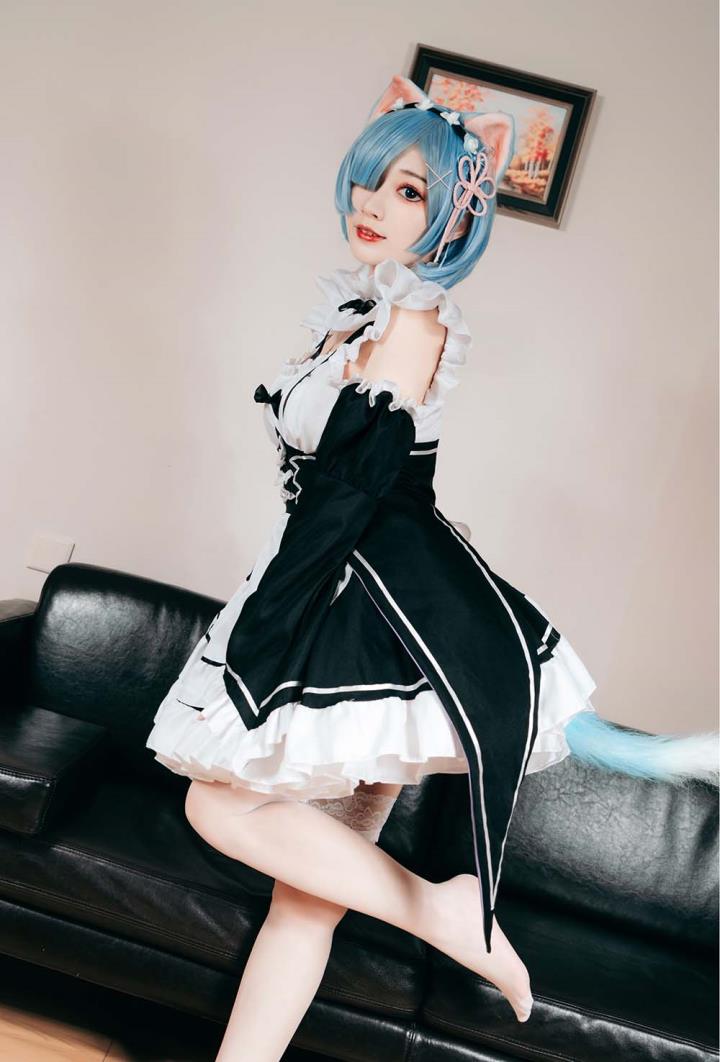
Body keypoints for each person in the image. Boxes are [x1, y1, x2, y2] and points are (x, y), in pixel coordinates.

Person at [145, 73, 719, 1061]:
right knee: (305, 906)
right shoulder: (357, 314)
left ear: (452, 214)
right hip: (335, 592)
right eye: (373, 180)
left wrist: (263, 643)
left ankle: (446, 910)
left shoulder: (412, 326)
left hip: (364, 611)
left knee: (216, 802)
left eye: (409, 191)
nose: (375, 203)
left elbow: (349, 497)